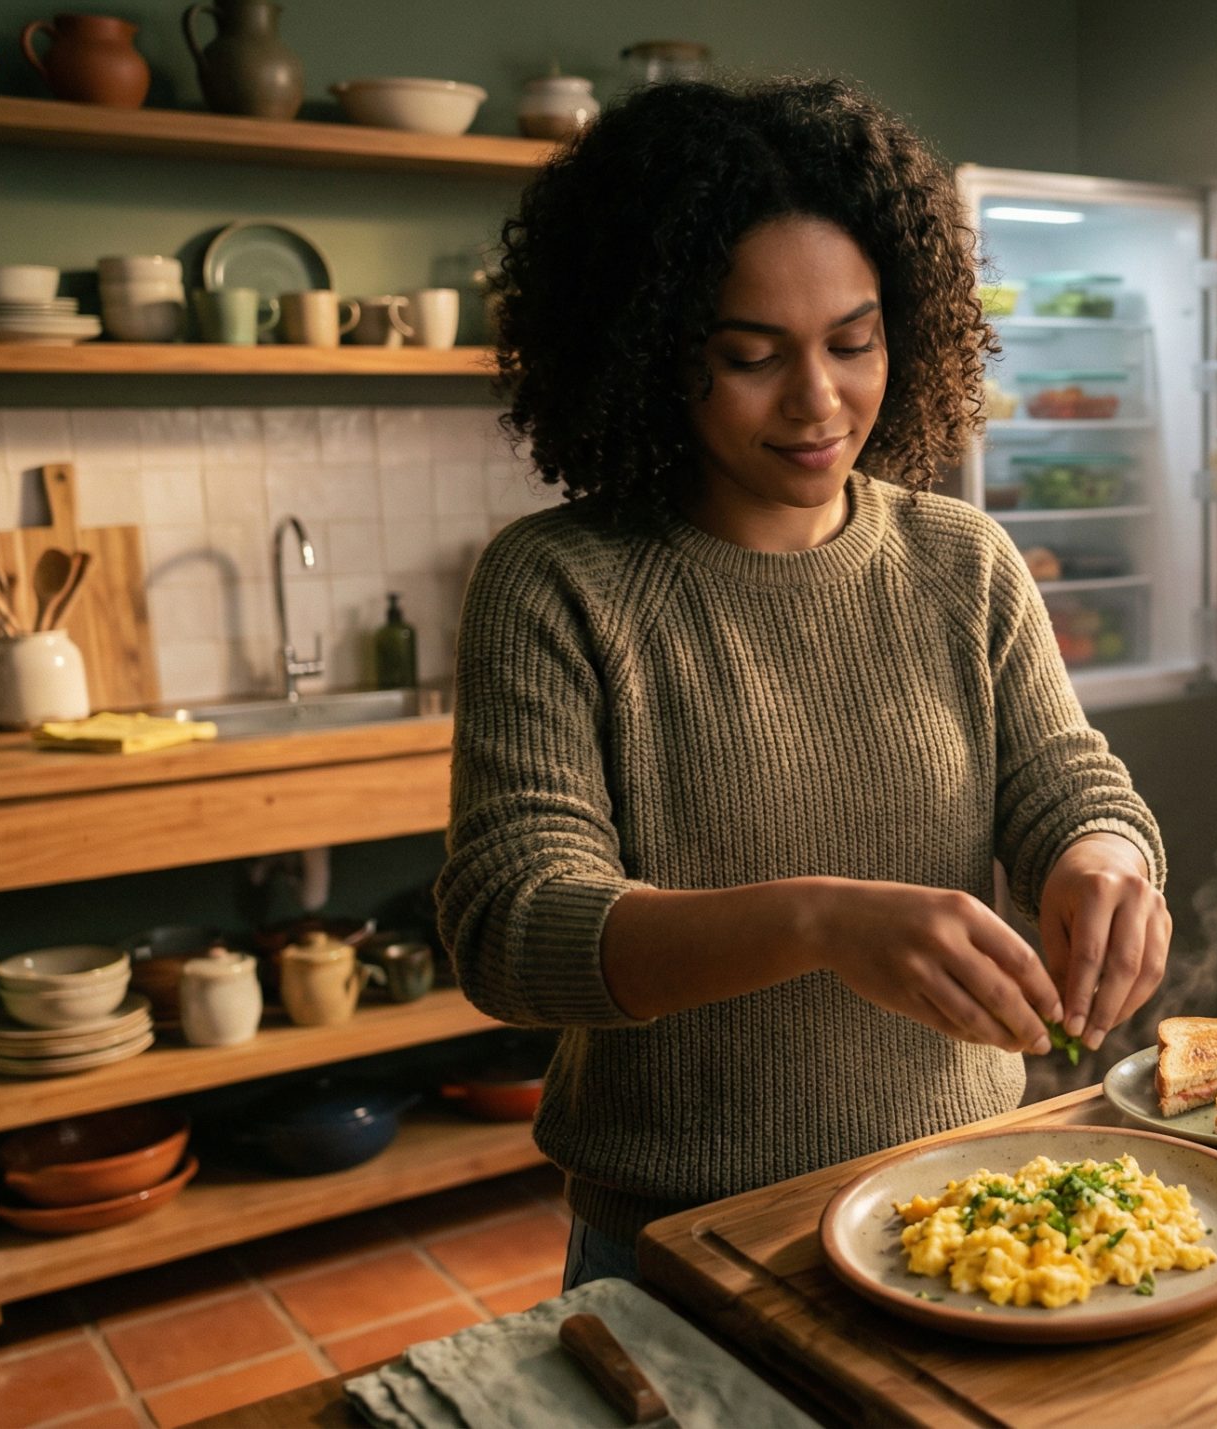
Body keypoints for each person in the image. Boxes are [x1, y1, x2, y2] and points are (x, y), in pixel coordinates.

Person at [435, 76, 1171, 1290]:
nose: (819, 401)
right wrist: (821, 924)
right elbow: (515, 929)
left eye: (853, 340)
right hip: (680, 1249)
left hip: (964, 1211)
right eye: (749, 355)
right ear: (649, 349)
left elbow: (1063, 781)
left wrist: (1103, 856)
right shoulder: (557, 583)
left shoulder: (963, 560)